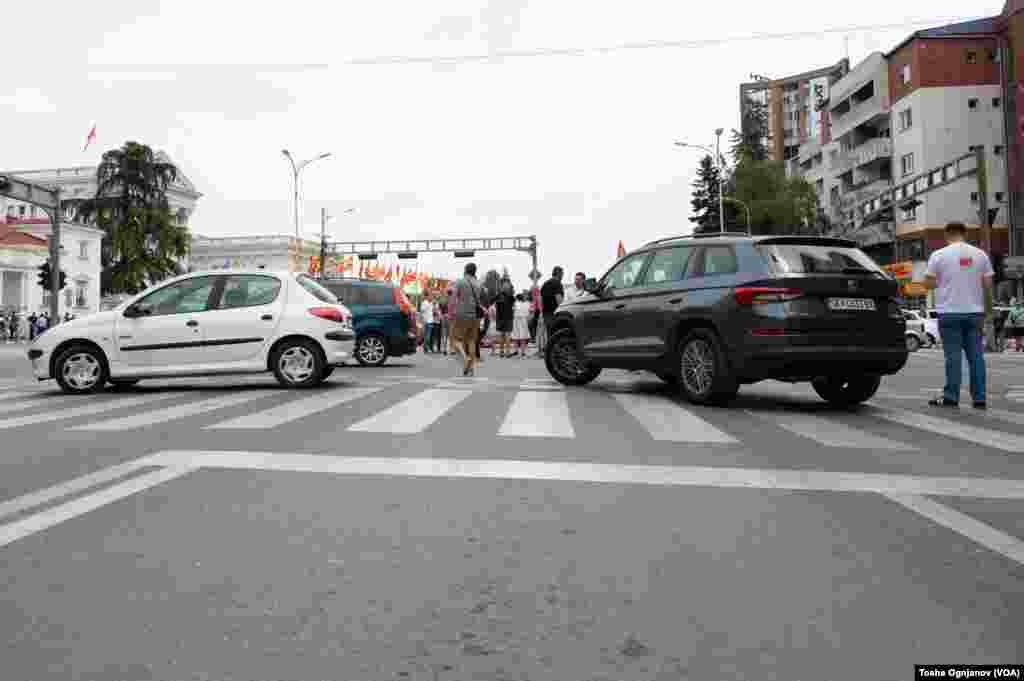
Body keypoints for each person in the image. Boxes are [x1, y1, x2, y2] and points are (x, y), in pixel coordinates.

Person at [924, 221, 994, 409]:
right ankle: (979, 398)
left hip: (949, 313)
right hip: (975, 313)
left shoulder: (938, 255)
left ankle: (951, 397)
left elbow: (928, 284)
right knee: (976, 357)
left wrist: (944, 281)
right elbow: (988, 284)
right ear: (965, 234)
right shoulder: (980, 255)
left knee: (953, 357)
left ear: (947, 235)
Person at [450, 262, 485, 376]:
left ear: (465, 270)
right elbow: (479, 302)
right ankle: (471, 369)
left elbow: (453, 298)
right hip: (474, 316)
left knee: (456, 340)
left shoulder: (460, 282)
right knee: (471, 341)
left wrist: (451, 312)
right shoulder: (478, 284)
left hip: (461, 315)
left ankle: (465, 359)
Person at [538, 266, 565, 357]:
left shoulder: (545, 284)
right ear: (559, 274)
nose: (563, 276)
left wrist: (542, 312)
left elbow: (540, 300)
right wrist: (563, 309)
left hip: (546, 313)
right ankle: (557, 353)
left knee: (550, 333)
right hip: (555, 313)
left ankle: (550, 352)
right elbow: (558, 298)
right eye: (562, 274)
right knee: (558, 333)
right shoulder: (557, 283)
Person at [494, 275, 515, 358]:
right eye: (505, 285)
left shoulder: (502, 295)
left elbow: (494, 303)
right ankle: (505, 352)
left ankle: (504, 352)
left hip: (503, 317)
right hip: (505, 317)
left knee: (504, 335)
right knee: (505, 335)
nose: (506, 286)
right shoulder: (509, 296)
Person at [511, 293, 532, 357]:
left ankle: (516, 351)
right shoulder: (527, 303)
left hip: (516, 321)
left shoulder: (515, 303)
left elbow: (512, 311)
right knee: (523, 337)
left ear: (517, 298)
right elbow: (530, 311)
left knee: (515, 337)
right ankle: (523, 352)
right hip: (524, 321)